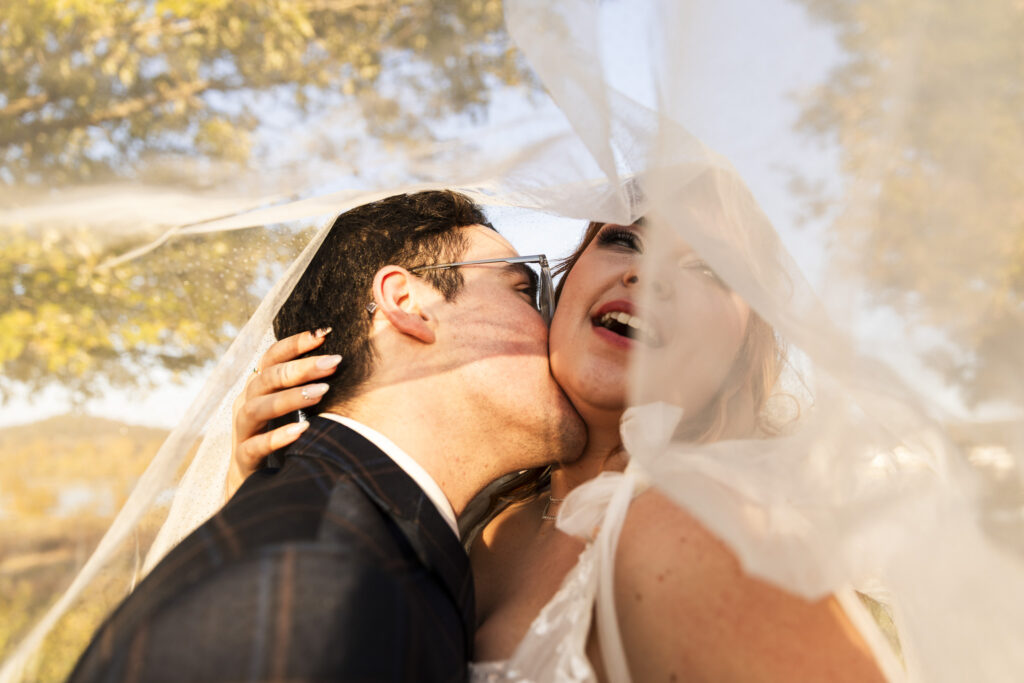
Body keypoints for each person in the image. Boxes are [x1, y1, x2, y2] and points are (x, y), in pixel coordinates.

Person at [233, 216, 889, 682]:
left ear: (743, 358)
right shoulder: (479, 518)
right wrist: (270, 483)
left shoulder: (710, 529)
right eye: (625, 238)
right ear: (564, 287)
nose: (648, 273)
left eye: (712, 270)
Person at [66, 190, 585, 682]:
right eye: (525, 290)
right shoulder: (314, 581)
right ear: (407, 302)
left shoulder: (348, 541)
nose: (553, 324)